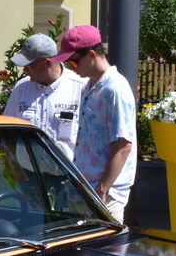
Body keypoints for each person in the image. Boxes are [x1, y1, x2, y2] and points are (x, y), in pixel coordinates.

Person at [52, 25, 137, 221]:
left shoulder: (115, 89)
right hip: (85, 189)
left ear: (91, 55)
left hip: (105, 194)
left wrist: (103, 188)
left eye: (72, 62)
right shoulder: (88, 86)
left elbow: (124, 145)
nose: (71, 68)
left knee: (105, 250)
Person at [4, 33, 85, 160]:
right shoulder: (21, 87)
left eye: (29, 65)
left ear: (47, 63)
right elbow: (7, 130)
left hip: (67, 176)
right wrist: (14, 166)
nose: (24, 70)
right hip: (29, 175)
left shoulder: (80, 87)